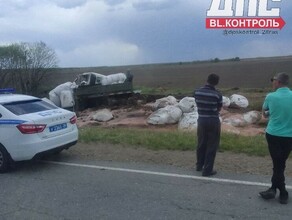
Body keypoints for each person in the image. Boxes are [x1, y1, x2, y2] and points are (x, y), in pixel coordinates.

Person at [259, 72, 292, 204]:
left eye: (273, 80)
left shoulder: (270, 96)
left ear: (278, 82)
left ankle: (283, 192)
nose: (272, 82)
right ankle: (273, 188)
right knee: (280, 163)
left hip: (273, 135)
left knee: (277, 164)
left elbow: (264, 114)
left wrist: (272, 112)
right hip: (290, 136)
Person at [194, 74, 222, 177]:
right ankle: (207, 170)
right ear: (216, 82)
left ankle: (199, 165)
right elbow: (219, 108)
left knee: (201, 143)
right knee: (212, 145)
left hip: (201, 120)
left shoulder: (197, 91)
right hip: (213, 121)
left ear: (207, 80)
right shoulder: (217, 94)